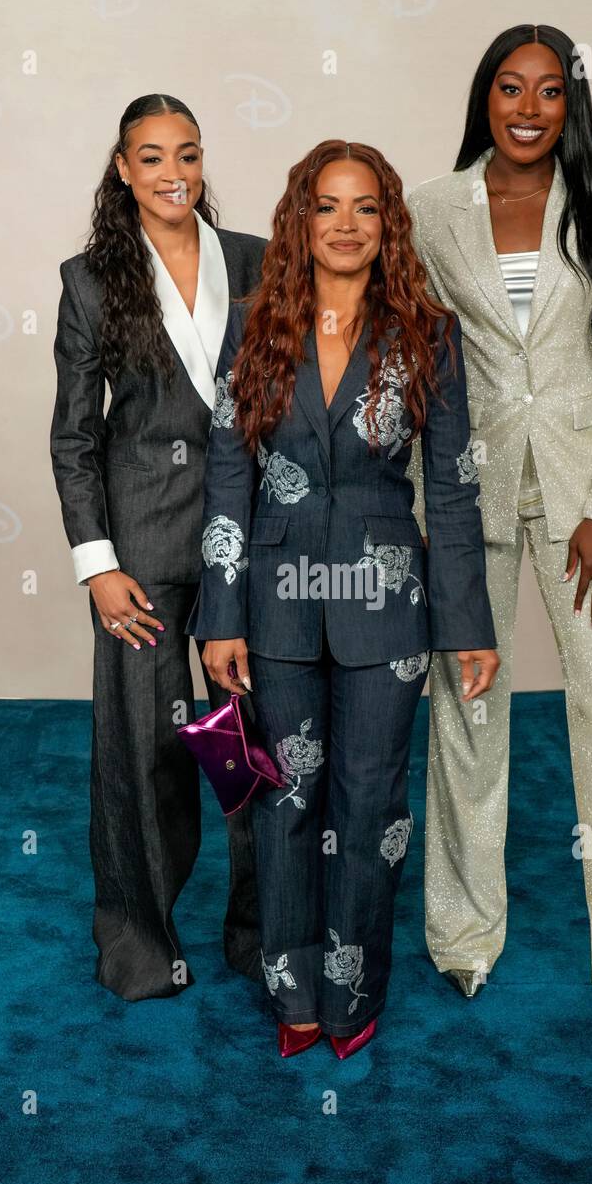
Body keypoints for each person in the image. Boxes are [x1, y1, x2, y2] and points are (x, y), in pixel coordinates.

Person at [186, 139, 499, 1059]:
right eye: (329, 206)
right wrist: (221, 615)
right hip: (274, 605)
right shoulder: (256, 325)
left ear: (388, 222)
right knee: (284, 800)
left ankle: (353, 992)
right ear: (302, 218)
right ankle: (293, 995)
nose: (347, 225)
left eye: (366, 208)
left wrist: (466, 624)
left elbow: (452, 486)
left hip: (386, 605)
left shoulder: (427, 331)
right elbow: (225, 478)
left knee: (370, 802)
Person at [408, 25, 592, 1028]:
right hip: (464, 489)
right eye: (507, 90)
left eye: (548, 93)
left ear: (571, 104)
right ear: (482, 97)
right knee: (467, 706)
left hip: (583, 495)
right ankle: (463, 934)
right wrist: (417, 508)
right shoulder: (431, 210)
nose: (527, 110)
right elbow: (416, 360)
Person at [51, 93, 266, 1001]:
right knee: (145, 751)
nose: (173, 172)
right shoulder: (92, 278)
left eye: (188, 153)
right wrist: (97, 566)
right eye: (151, 157)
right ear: (123, 170)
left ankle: (262, 938)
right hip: (137, 553)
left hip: (247, 543)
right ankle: (141, 943)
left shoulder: (254, 261)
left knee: (256, 746)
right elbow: (73, 435)